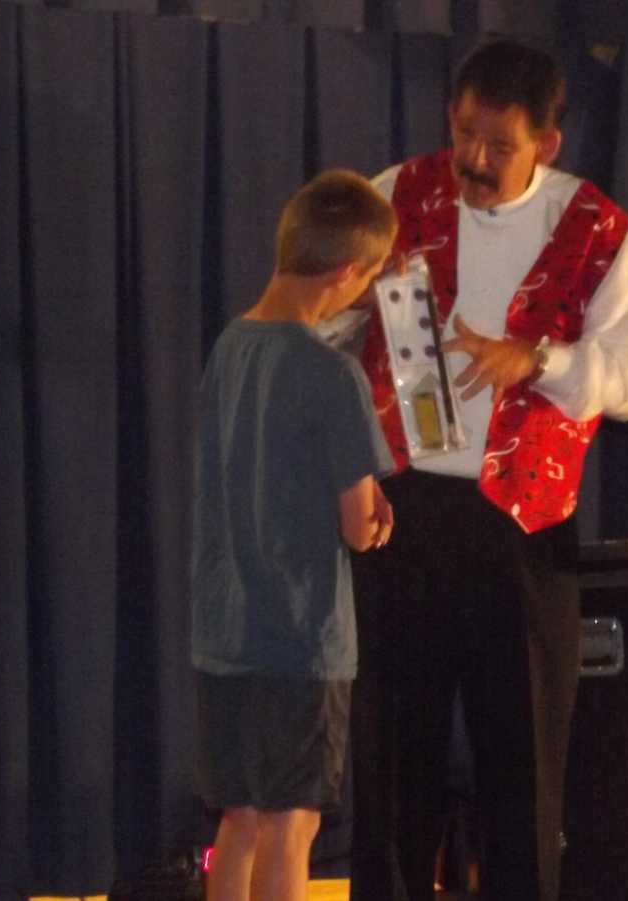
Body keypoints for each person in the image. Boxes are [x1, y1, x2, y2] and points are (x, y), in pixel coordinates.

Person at [348, 39, 628, 901]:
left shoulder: (593, 226)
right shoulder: (394, 195)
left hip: (523, 530)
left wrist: (539, 359)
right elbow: (323, 325)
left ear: (546, 144)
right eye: (464, 134)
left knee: (522, 771)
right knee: (393, 768)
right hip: (402, 518)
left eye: (499, 144)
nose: (475, 160)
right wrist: (349, 314)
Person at [191, 169, 399, 901]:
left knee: (241, 818)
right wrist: (375, 514)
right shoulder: (332, 374)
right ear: (346, 273)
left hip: (224, 634)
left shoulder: (229, 346)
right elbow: (358, 526)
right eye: (369, 276)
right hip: (301, 638)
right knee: (293, 824)